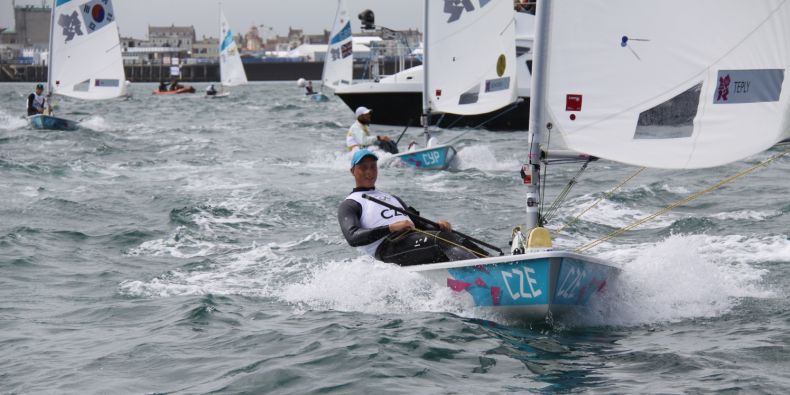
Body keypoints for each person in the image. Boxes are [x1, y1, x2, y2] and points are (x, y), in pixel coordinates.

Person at [338, 149, 488, 266]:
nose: (369, 172)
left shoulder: (392, 198)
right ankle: (485, 275)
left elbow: (419, 223)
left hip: (411, 240)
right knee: (441, 240)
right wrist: (390, 228)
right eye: (363, 168)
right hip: (387, 248)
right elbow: (353, 237)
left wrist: (437, 225)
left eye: (373, 167)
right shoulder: (350, 204)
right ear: (353, 171)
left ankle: (494, 263)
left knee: (454, 237)